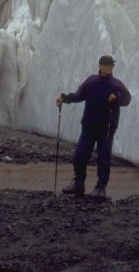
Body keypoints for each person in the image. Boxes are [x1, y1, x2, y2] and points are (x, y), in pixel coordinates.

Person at [56, 54, 131, 199]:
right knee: (79, 155)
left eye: (111, 64)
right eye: (107, 64)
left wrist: (117, 97)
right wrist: (64, 98)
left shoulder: (116, 85)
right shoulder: (91, 82)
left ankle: (101, 188)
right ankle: (79, 184)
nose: (109, 67)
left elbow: (127, 99)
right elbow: (79, 95)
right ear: (100, 65)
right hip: (89, 125)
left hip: (107, 128)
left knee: (103, 158)